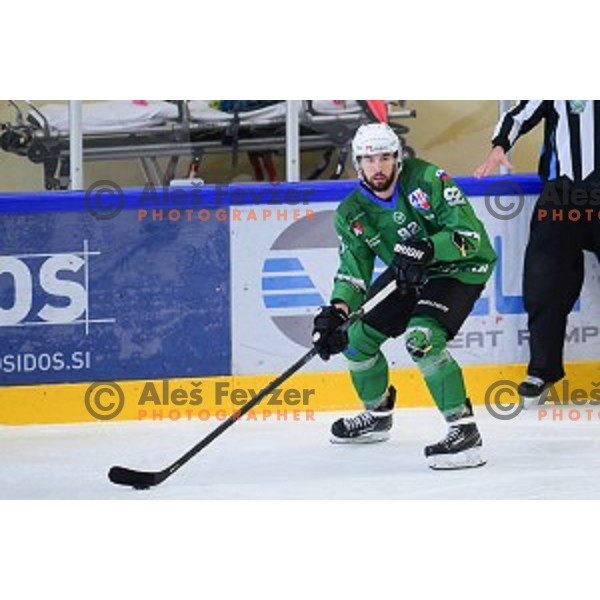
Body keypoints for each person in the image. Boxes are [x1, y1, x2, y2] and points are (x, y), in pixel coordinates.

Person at [312, 123, 497, 470]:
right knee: (353, 339)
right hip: (409, 273)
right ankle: (377, 416)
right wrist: (337, 310)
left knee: (422, 339)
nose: (377, 167)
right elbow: (354, 271)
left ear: (398, 158)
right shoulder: (351, 213)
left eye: (385, 158)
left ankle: (464, 431)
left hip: (459, 268)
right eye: (368, 160)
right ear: (357, 163)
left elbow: (469, 236)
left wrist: (429, 247)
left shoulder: (427, 179)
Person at [474, 101, 600, 404]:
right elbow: (519, 114)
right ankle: (543, 370)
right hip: (561, 195)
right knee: (545, 283)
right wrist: (500, 145)